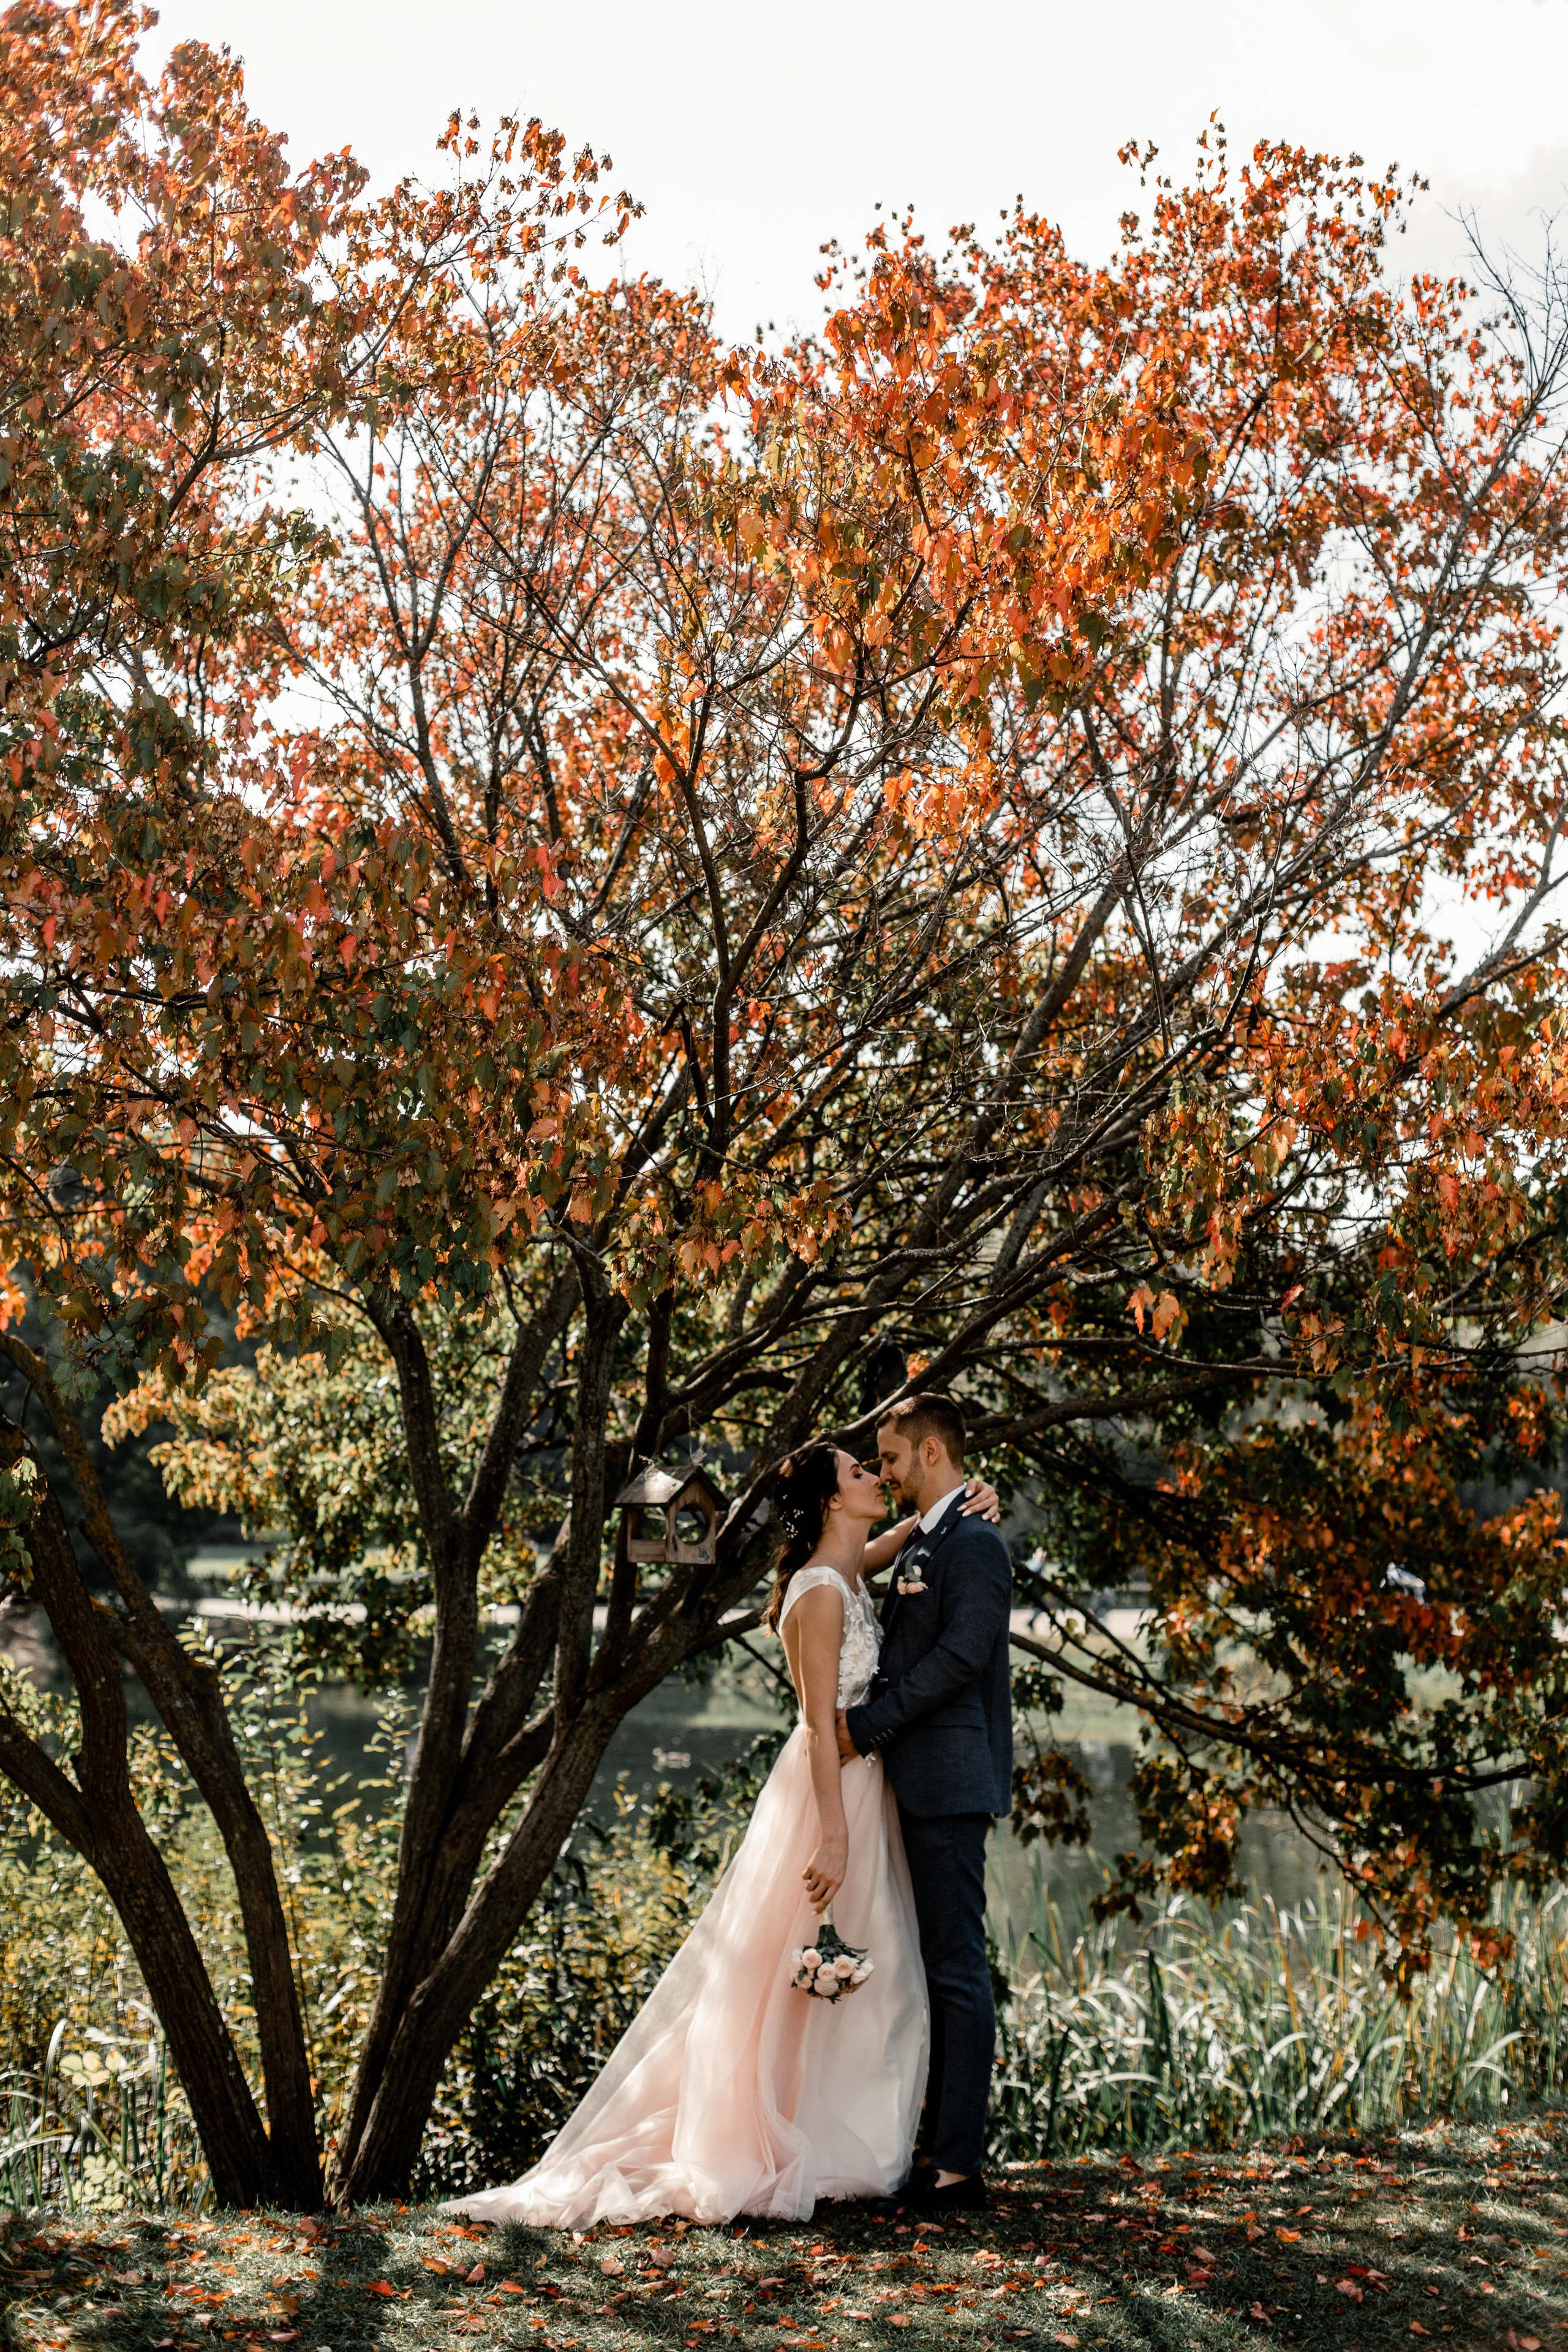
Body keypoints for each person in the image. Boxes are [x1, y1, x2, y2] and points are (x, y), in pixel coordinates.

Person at [445, 1443, 1000, 2228]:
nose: (875, 1476)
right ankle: (820, 2143)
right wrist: (832, 1839)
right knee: (820, 1971)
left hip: (864, 1787)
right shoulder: (818, 1591)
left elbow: (913, 1530)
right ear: (831, 1502)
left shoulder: (848, 1568)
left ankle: (854, 2139)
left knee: (878, 1975)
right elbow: (815, 1729)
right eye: (857, 1472)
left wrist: (965, 1494)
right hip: (829, 1792)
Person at [837, 1393, 1013, 2213]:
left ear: (934, 1452)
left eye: (895, 1457)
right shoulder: (936, 1534)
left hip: (946, 1782)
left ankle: (955, 2167)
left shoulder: (975, 1542)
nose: (886, 1471)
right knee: (930, 1968)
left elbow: (960, 1657)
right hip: (911, 1780)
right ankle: (929, 2148)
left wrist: (868, 1727)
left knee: (956, 1967)